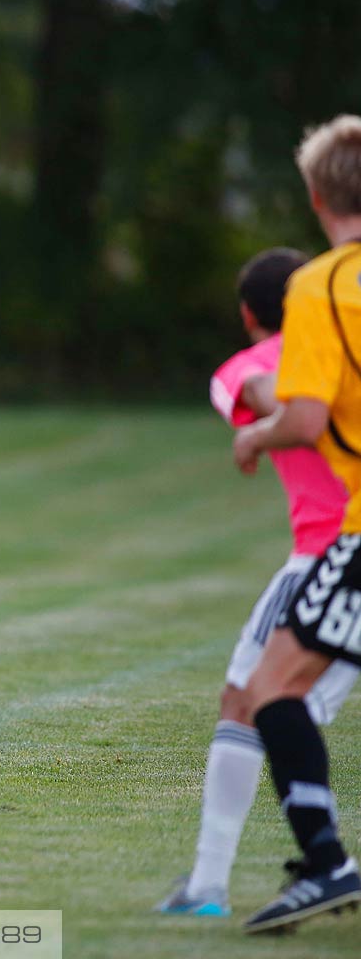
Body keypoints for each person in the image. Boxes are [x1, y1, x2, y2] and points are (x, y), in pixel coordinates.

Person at [154, 247, 354, 918]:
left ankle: (235, 882)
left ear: (247, 315)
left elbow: (272, 398)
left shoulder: (249, 365)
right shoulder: (343, 339)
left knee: (251, 699)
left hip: (329, 556)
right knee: (251, 700)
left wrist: (275, 425)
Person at [230, 114, 361, 932]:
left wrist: (255, 431)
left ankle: (326, 864)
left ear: (315, 196)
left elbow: (307, 415)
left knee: (269, 688)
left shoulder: (318, 285)